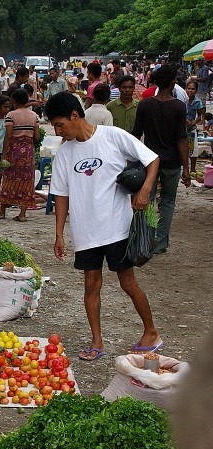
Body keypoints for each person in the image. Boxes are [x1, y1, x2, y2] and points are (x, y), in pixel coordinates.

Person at [45, 91, 162, 360]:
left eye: (60, 124)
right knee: (91, 286)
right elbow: (61, 195)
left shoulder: (113, 136)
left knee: (128, 283)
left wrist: (145, 190)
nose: (58, 131)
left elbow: (152, 159)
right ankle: (97, 342)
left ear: (75, 115)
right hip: (86, 231)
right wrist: (59, 233)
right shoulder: (64, 154)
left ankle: (151, 331)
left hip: (117, 226)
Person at [131, 65, 191, 255]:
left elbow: (136, 134)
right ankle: (161, 240)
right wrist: (187, 168)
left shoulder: (145, 105)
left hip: (149, 161)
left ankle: (146, 238)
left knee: (146, 201)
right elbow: (181, 139)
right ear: (173, 83)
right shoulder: (179, 107)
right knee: (167, 202)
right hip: (172, 162)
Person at [0, 89, 39, 221]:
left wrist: (4, 154)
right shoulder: (34, 116)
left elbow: (8, 136)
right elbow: (37, 137)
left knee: (8, 178)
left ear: (14, 101)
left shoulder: (11, 115)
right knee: (27, 180)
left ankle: (3, 212)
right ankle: (22, 214)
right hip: (28, 152)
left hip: (14, 150)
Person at [185, 80, 204, 173]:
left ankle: (192, 169)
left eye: (193, 89)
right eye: (189, 88)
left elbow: (201, 115)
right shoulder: (182, 99)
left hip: (192, 128)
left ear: (196, 90)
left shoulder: (197, 101)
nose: (190, 91)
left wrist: (194, 121)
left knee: (193, 150)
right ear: (185, 89)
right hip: (181, 128)